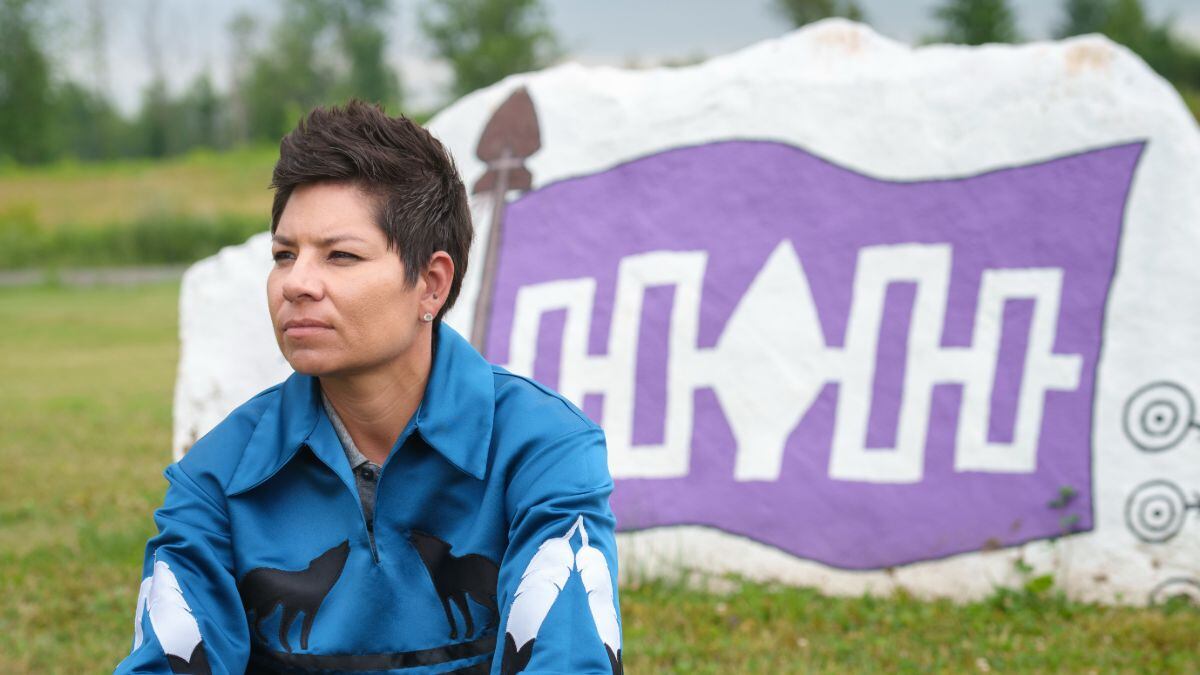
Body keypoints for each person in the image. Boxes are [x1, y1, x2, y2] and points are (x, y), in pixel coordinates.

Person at [115, 100, 623, 675]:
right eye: (284, 255)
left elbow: (569, 658)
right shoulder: (216, 476)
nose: (296, 283)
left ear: (431, 284)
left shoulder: (544, 448)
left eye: (341, 256)